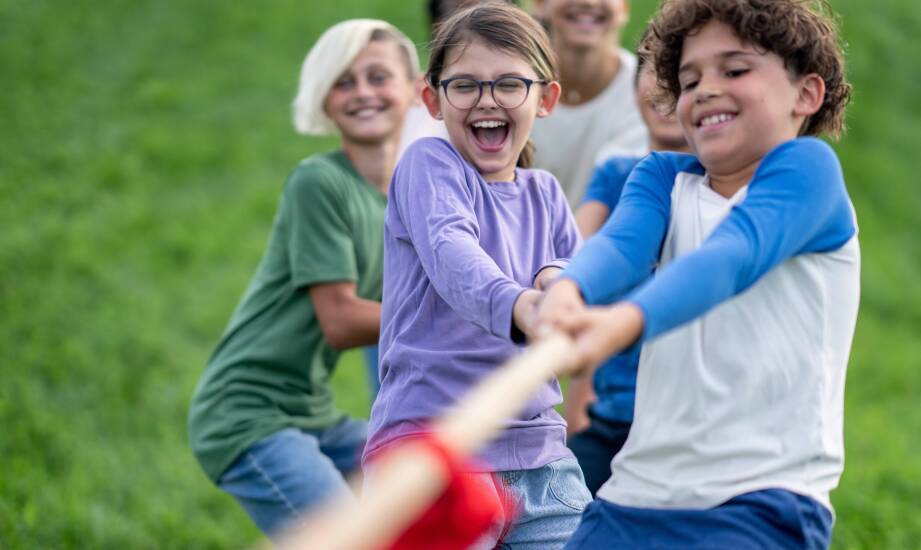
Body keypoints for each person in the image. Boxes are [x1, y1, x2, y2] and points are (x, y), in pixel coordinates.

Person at [538, 0, 858, 547]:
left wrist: (619, 324)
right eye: (689, 81)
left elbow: (731, 256)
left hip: (758, 502)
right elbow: (619, 245)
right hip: (631, 496)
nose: (706, 89)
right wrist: (569, 289)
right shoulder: (661, 176)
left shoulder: (808, 171)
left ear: (805, 94)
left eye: (734, 70)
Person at [362, 4, 591, 547]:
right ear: (433, 100)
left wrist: (557, 281)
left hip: (541, 459)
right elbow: (452, 252)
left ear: (546, 98)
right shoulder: (427, 165)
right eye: (465, 85)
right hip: (432, 452)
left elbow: (578, 275)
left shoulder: (546, 194)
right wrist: (522, 305)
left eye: (510, 84)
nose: (487, 100)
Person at [187, 20, 418, 538]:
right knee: (351, 540)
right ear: (325, 99)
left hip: (314, 414)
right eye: (343, 81)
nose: (363, 92)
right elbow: (340, 319)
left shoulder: (406, 199)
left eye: (379, 76)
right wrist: (455, 320)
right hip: (247, 412)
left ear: (415, 89)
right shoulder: (319, 182)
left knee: (428, 489)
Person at [563, 42, 691, 495]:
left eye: (678, 74)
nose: (663, 87)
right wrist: (559, 285)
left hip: (688, 424)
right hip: (614, 414)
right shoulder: (616, 173)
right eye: (652, 71)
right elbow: (577, 251)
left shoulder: (725, 188)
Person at [530, 0, 649, 206]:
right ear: (540, 4)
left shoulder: (647, 96)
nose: (589, 2)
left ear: (624, 8)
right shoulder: (511, 87)